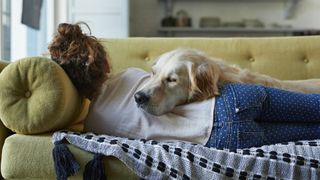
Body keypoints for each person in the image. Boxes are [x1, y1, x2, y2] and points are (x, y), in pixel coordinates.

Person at [48, 23, 320, 152]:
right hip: (234, 98)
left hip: (223, 139)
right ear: (105, 64)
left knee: (313, 133)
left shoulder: (94, 126)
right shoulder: (130, 75)